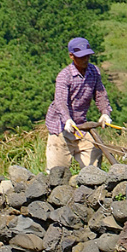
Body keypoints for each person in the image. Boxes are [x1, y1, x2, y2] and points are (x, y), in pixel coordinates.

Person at [44, 37, 113, 171]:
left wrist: (105, 113)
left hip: (81, 125)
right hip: (61, 128)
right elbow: (60, 101)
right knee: (57, 173)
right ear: (71, 56)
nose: (85, 59)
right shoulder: (65, 76)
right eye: (81, 57)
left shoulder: (93, 71)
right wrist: (67, 119)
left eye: (87, 56)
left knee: (94, 162)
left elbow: (100, 94)